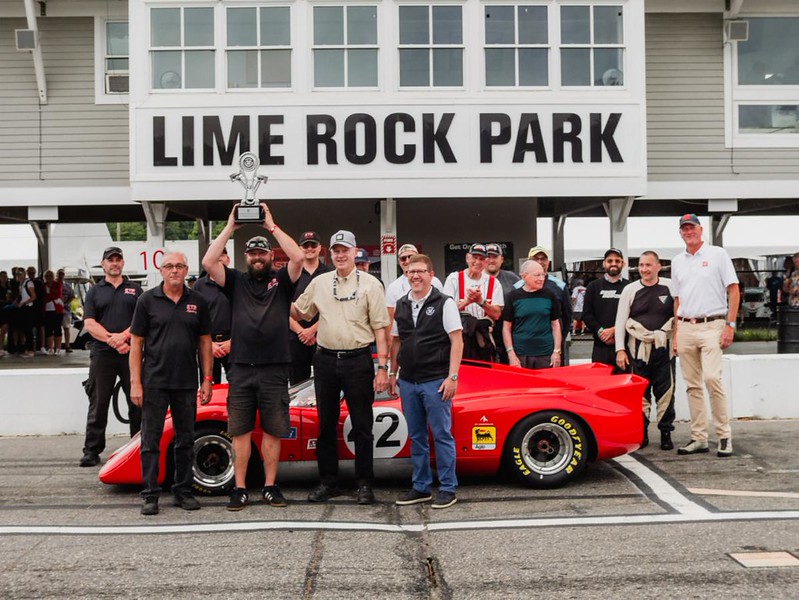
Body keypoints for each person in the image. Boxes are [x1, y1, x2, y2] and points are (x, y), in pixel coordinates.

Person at [202, 202, 303, 511]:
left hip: (275, 368)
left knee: (273, 430)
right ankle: (241, 487)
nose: (258, 257)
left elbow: (298, 256)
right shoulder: (236, 281)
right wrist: (231, 226)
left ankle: (271, 485)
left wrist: (270, 225)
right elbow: (208, 261)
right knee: (241, 431)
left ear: (271, 256)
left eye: (262, 252)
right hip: (241, 368)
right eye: (252, 253)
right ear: (245, 257)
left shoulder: (283, 282)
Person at [293, 230, 390, 505]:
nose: (340, 255)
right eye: (336, 250)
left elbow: (381, 329)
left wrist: (382, 368)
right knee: (325, 424)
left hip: (358, 359)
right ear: (330, 253)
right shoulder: (321, 282)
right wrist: (269, 298)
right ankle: (328, 482)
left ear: (354, 251)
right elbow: (300, 312)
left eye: (345, 250)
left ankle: (364, 483)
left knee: (362, 424)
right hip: (324, 359)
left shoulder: (371, 284)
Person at [130, 251, 213, 516]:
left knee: (185, 440)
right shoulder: (146, 300)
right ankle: (150, 494)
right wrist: (135, 382)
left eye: (179, 266)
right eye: (169, 266)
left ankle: (183, 491)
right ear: (161, 270)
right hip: (154, 382)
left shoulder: (198, 301)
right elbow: (136, 343)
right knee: (151, 440)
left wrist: (207, 380)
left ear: (186, 270)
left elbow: (205, 343)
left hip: (186, 382)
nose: (174, 270)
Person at [389, 253, 463, 509]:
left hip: (436, 381)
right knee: (416, 436)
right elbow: (397, 341)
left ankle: (447, 487)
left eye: (421, 271)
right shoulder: (400, 304)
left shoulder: (444, 303)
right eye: (411, 271)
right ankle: (421, 487)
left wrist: (452, 377)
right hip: (408, 382)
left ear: (431, 275)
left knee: (442, 434)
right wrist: (392, 373)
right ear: (406, 275)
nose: (416, 275)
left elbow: (457, 340)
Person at [671, 213, 740, 457]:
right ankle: (699, 437)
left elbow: (733, 290)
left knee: (712, 379)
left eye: (692, 227)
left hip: (713, 324)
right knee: (692, 385)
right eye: (684, 228)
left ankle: (723, 435)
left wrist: (730, 325)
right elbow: (677, 299)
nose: (688, 232)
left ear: (701, 230)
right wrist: (676, 335)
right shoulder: (677, 261)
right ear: (680, 232)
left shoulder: (718, 254)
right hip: (686, 326)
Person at [80, 247, 143, 467]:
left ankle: (139, 447)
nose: (114, 263)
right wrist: (112, 341)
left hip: (130, 353)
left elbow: (141, 321)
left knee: (137, 402)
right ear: (103, 264)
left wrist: (124, 338)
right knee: (98, 403)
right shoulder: (94, 291)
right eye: (110, 260)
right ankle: (92, 451)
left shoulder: (135, 290)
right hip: (103, 355)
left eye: (118, 260)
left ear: (123, 263)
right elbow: (89, 323)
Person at [614, 251, 676, 450]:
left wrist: (676, 341)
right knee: (640, 392)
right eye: (641, 265)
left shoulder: (670, 286)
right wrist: (620, 349)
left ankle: (666, 432)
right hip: (637, 347)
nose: (644, 269)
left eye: (648, 265)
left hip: (663, 348)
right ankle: (643, 432)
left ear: (659, 266)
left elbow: (678, 316)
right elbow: (620, 321)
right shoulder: (630, 289)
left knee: (666, 391)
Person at [443, 243, 503, 361]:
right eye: (474, 258)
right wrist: (467, 301)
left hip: (484, 339)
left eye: (481, 259)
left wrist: (481, 301)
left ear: (486, 262)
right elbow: (445, 311)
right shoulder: (454, 279)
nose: (477, 262)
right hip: (460, 338)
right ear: (467, 258)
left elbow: (497, 314)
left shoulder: (493, 282)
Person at [288, 231, 333, 385]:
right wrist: (301, 332)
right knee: (297, 383)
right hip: (295, 337)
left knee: (326, 382)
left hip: (323, 337)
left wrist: (313, 330)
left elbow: (334, 308)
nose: (309, 248)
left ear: (320, 248)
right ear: (299, 248)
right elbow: (282, 305)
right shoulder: (291, 274)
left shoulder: (330, 273)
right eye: (305, 245)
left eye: (313, 245)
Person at [502, 260, 562, 369]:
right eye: (537, 275)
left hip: (545, 353)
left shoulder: (549, 295)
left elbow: (556, 324)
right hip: (521, 353)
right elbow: (506, 327)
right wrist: (511, 354)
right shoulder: (513, 296)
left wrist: (557, 351)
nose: (541, 279)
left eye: (543, 275)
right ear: (524, 276)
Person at [582, 248, 628, 370]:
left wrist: (614, 331)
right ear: (604, 263)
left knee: (623, 386)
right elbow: (587, 314)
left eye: (617, 261)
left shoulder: (630, 287)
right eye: (610, 260)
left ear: (623, 264)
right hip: (600, 347)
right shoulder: (593, 286)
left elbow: (634, 315)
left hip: (624, 348)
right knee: (601, 384)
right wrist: (601, 331)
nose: (613, 263)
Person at [525, 247, 572, 364]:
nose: (540, 262)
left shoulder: (560, 286)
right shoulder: (518, 286)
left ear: (548, 262)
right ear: (528, 261)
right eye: (536, 258)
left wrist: (559, 341)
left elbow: (567, 316)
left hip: (551, 347)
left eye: (543, 259)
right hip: (526, 346)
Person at [193, 247, 233, 384]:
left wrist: (233, 342)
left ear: (228, 260)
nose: (219, 258)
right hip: (208, 345)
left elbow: (247, 316)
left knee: (240, 390)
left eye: (222, 254)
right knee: (208, 388)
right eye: (215, 254)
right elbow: (194, 319)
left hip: (234, 345)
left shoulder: (237, 283)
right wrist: (209, 344)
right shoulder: (199, 286)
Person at [384, 243, 443, 326]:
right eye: (403, 258)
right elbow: (390, 319)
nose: (407, 261)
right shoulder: (393, 287)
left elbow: (443, 307)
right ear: (399, 261)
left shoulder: (434, 281)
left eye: (411, 257)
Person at [485, 243, 521, 364]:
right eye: (488, 257)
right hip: (485, 329)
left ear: (501, 259)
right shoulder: (477, 278)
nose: (491, 260)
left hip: (508, 329)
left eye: (494, 257)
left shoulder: (512, 278)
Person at [42, 270, 64, 355]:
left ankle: (58, 348)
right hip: (47, 310)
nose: (48, 278)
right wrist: (49, 296)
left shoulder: (57, 284)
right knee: (48, 330)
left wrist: (49, 295)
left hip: (57, 310)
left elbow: (57, 295)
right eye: (46, 276)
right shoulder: (43, 286)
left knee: (57, 329)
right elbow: (43, 297)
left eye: (50, 276)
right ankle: (50, 348)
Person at [57, 269, 75, 352]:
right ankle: (57, 346)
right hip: (56, 310)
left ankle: (67, 345)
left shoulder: (67, 286)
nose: (61, 275)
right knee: (56, 329)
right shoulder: (54, 284)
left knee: (66, 328)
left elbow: (72, 296)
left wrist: (66, 303)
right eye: (59, 274)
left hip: (66, 310)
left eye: (62, 274)